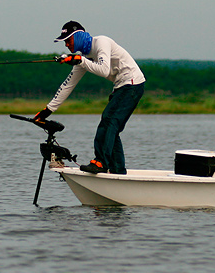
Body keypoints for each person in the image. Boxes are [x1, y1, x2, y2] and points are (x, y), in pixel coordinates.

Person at [34, 21, 146, 175]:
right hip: (122, 86)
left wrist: (80, 60)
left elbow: (104, 70)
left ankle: (100, 163)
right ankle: (117, 170)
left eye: (68, 40)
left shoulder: (101, 42)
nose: (66, 45)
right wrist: (47, 111)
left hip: (132, 83)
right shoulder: (83, 58)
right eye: (64, 42)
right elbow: (67, 85)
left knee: (109, 122)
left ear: (79, 36)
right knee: (111, 127)